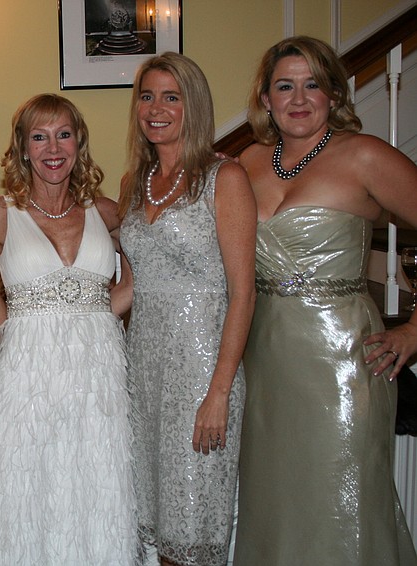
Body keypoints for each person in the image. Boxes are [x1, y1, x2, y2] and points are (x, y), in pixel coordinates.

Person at [233, 36, 417, 565]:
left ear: (334, 93)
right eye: (284, 85)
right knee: (275, 507)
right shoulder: (245, 163)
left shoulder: (364, 156)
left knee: (343, 507)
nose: (298, 97)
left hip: (344, 366)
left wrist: (413, 331)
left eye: (313, 84)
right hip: (265, 364)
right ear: (265, 99)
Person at [0, 93, 138, 565]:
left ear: (79, 143)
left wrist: (101, 314)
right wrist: (12, 337)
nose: (52, 147)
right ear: (22, 147)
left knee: (97, 482)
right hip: (25, 375)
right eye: (39, 137)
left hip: (99, 371)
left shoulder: (107, 213)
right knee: (29, 488)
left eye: (63, 134)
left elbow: (143, 272)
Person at [114, 53, 257, 566]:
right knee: (154, 532)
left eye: (171, 97)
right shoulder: (135, 184)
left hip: (201, 376)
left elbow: (244, 292)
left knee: (192, 533)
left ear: (192, 105)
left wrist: (219, 391)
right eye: (147, 97)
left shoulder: (226, 179)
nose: (156, 108)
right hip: (143, 374)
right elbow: (132, 287)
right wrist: (60, 316)